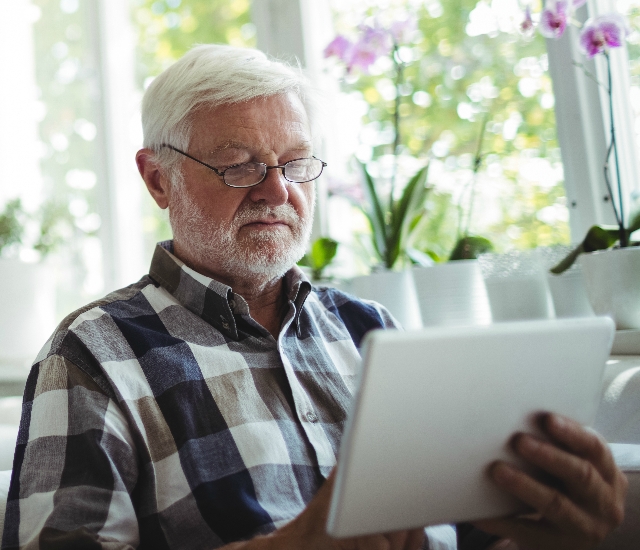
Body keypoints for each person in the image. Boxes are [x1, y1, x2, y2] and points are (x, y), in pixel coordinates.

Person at [1, 44, 627, 550]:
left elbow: (458, 534)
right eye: (239, 165)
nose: (277, 192)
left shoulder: (373, 330)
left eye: (297, 164)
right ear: (158, 178)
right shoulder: (93, 352)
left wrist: (553, 530)